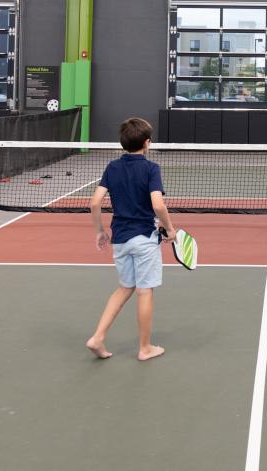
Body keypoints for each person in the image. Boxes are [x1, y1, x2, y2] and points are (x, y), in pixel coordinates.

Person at [85, 117, 177, 362]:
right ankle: (145, 348)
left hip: (121, 240)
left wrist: (100, 231)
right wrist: (170, 229)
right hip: (145, 239)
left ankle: (97, 337)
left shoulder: (112, 167)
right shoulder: (151, 169)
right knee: (144, 292)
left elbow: (94, 202)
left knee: (125, 287)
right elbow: (158, 205)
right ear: (147, 143)